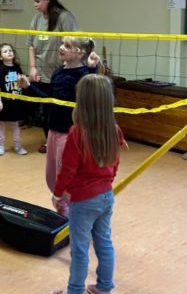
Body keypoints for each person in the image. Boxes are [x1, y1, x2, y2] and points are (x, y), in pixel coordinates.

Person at [49, 74, 125, 294]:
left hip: (83, 201)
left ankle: (74, 290)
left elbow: (68, 169)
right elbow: (116, 162)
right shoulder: (115, 129)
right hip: (106, 196)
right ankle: (104, 287)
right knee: (104, 242)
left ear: (82, 101)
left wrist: (58, 192)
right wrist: (107, 183)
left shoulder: (77, 133)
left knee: (80, 249)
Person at [19, 37, 102, 215]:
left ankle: (73, 209)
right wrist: (28, 87)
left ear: (80, 52)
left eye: (67, 46)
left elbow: (94, 90)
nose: (61, 48)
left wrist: (94, 68)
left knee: (66, 173)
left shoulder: (84, 74)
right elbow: (48, 98)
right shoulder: (58, 72)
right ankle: (63, 204)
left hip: (70, 132)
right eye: (62, 44)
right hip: (53, 130)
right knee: (52, 175)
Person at [26, 0, 80, 153]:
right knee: (47, 110)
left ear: (48, 0)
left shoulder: (65, 17)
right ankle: (50, 141)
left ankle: (68, 142)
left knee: (63, 110)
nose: (35, 5)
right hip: (42, 73)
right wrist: (33, 68)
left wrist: (67, 67)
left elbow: (74, 42)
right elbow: (30, 45)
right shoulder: (37, 19)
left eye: (38, 1)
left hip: (60, 74)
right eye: (34, 1)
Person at [0, 43, 28, 156]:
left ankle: (17, 146)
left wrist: (25, 81)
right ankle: (0, 146)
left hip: (15, 102)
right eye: (5, 51)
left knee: (15, 125)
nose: (9, 52)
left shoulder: (17, 67)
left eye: (10, 50)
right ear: (0, 57)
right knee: (1, 125)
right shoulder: (0, 70)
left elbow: (22, 83)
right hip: (4, 102)